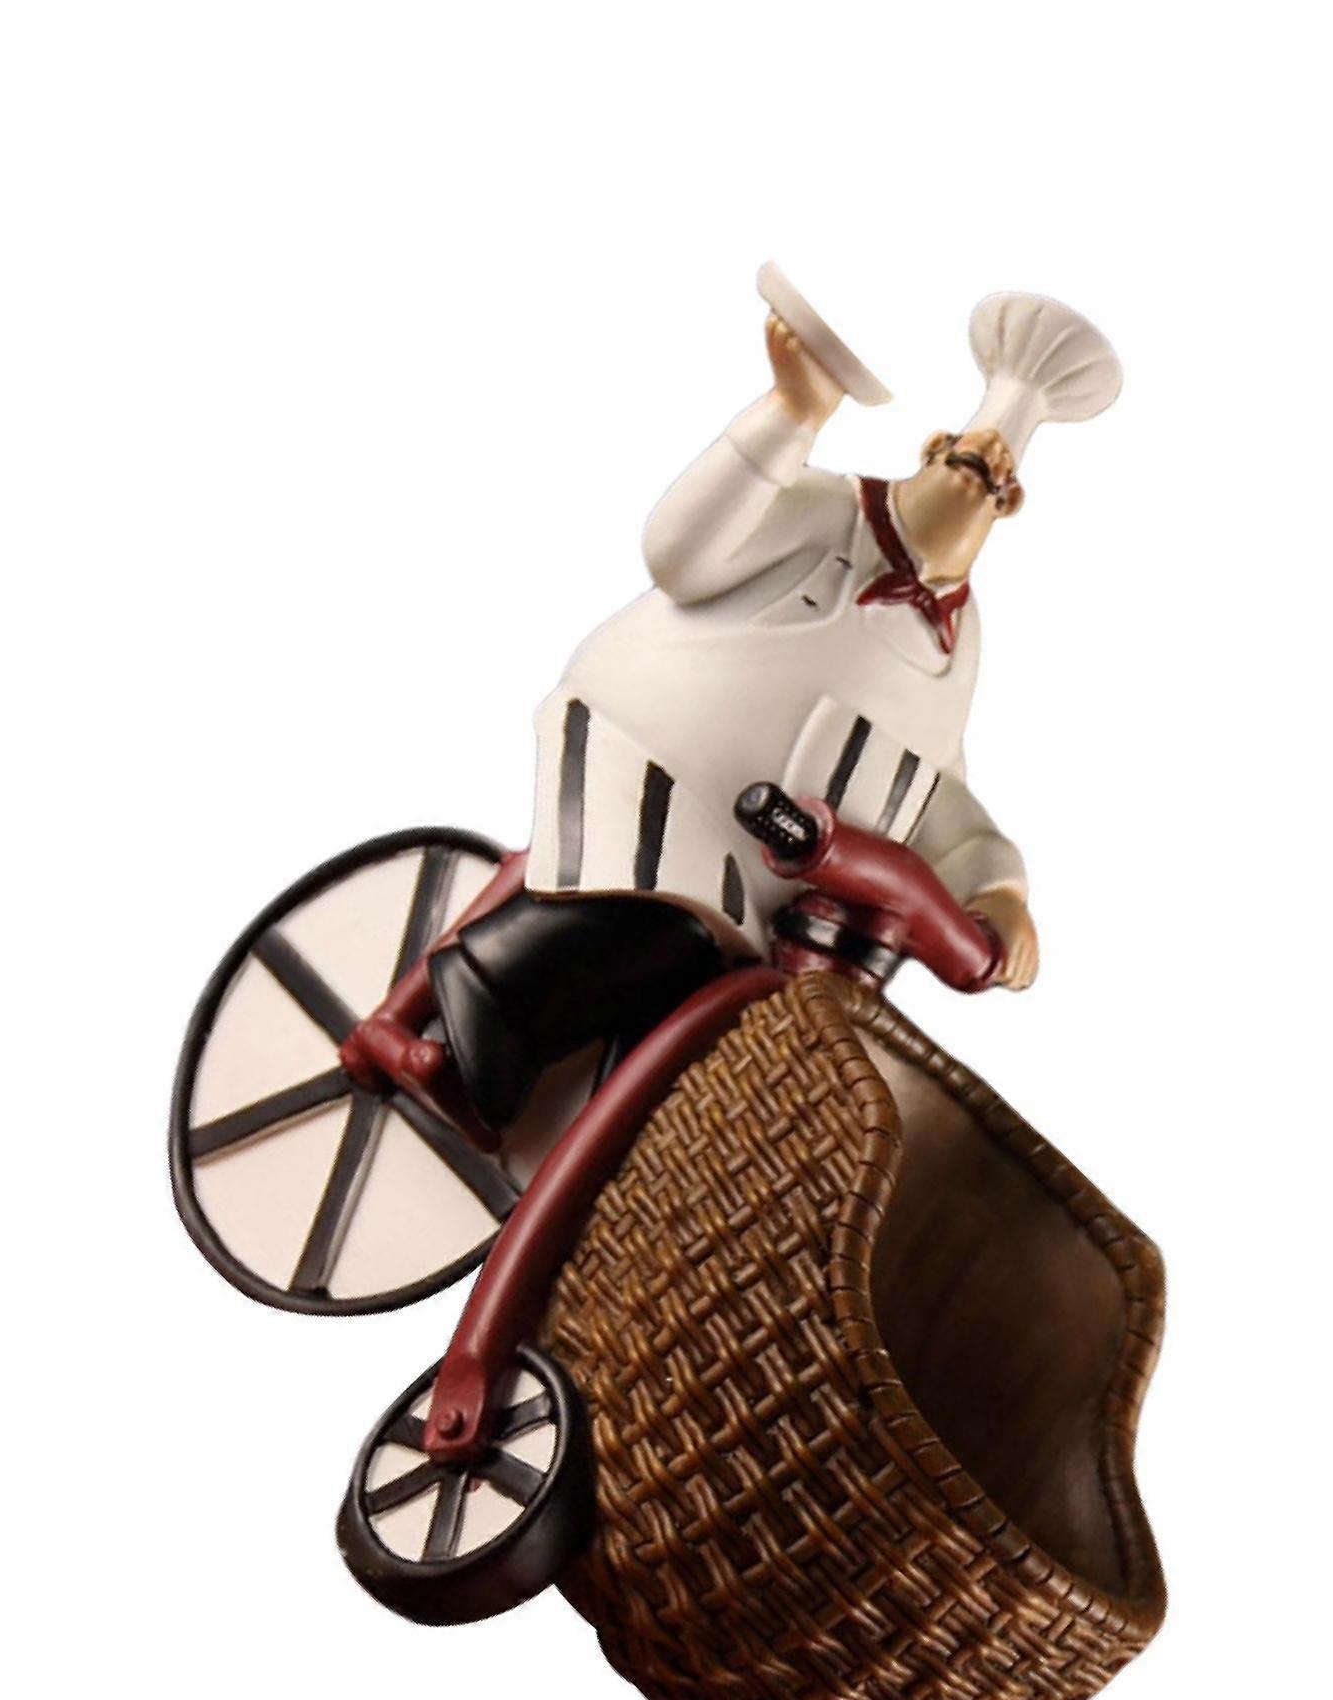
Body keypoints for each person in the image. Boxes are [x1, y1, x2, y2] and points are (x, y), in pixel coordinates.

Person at [346, 296, 1117, 1142]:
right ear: (930, 451)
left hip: (768, 866)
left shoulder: (956, 645)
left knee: (719, 1006)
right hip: (648, 758)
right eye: (967, 463)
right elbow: (682, 550)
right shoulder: (828, 508)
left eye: (994, 487)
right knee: (655, 918)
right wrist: (792, 413)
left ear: (1009, 509)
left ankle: (618, 1133)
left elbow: (932, 780)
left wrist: (996, 889)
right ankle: (471, 1028)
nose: (975, 487)